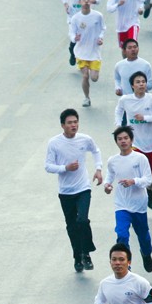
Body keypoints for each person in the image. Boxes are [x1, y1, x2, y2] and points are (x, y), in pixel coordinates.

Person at [45, 108, 102, 273]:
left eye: (75, 122)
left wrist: (98, 169)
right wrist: (65, 168)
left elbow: (96, 151)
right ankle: (77, 257)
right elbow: (48, 166)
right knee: (71, 226)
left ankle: (87, 253)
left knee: (82, 220)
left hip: (83, 187)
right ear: (62, 125)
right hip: (65, 192)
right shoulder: (54, 143)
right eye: (69, 123)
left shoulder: (85, 139)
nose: (73, 125)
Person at [114, 72, 152, 209]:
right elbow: (119, 111)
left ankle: (149, 191)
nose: (141, 84)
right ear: (132, 85)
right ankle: (133, 203)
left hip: (151, 143)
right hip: (134, 144)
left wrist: (145, 118)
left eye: (143, 81)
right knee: (134, 172)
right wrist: (119, 125)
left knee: (151, 175)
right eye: (138, 82)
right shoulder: (125, 100)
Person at [104, 126, 152, 271]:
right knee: (122, 234)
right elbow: (110, 175)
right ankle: (127, 265)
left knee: (143, 236)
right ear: (116, 142)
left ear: (131, 140)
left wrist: (134, 181)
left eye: (126, 138)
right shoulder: (113, 160)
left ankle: (146, 253)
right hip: (122, 205)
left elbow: (148, 180)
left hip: (139, 205)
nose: (123, 141)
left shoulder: (140, 158)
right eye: (120, 139)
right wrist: (107, 185)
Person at [69, 0, 106, 107]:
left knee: (94, 78)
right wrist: (75, 38)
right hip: (81, 52)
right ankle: (86, 98)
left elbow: (103, 28)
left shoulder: (98, 16)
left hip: (94, 52)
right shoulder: (76, 18)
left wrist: (100, 38)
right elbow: (71, 33)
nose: (86, 1)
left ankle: (92, 76)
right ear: (80, 2)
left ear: (91, 1)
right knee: (85, 75)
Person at [61, 0, 101, 66]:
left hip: (86, 17)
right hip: (73, 17)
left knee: (84, 38)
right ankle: (72, 53)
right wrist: (65, 4)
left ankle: (84, 59)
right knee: (74, 38)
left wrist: (91, 1)